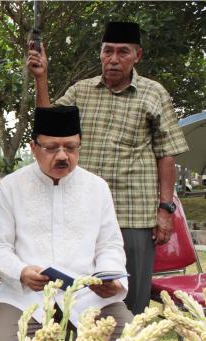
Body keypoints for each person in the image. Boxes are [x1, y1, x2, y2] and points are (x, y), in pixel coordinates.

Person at [27, 21, 188, 314]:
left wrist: (166, 209)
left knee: (131, 300)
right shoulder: (81, 91)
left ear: (137, 55)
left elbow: (167, 154)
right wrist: (41, 77)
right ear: (101, 54)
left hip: (133, 214)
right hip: (82, 214)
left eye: (122, 52)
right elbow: (46, 123)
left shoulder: (154, 94)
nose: (114, 59)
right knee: (80, 298)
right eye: (108, 51)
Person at [0, 106, 159, 341]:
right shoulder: (10, 187)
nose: (63, 156)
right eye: (52, 148)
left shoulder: (97, 188)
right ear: (34, 148)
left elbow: (109, 245)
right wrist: (21, 272)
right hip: (25, 295)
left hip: (88, 295)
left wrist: (110, 279)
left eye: (71, 147)